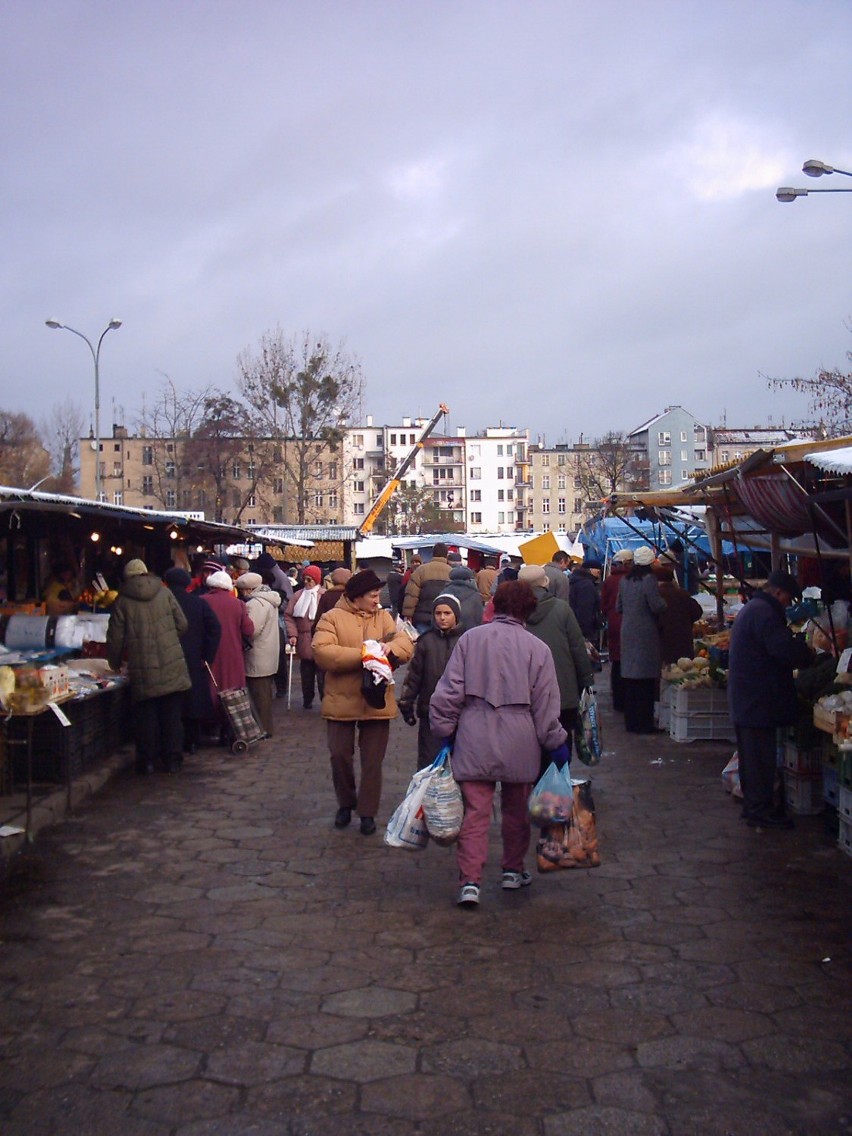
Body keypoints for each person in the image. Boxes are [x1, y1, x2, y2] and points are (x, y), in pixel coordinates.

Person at [429, 580, 569, 908]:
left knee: (475, 813)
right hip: (521, 738)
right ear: (528, 611)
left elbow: (448, 691)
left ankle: (470, 882)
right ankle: (512, 869)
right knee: (517, 809)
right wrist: (556, 742)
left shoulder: (470, 640)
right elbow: (546, 704)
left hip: (474, 734)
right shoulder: (538, 649)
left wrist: (444, 730)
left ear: (496, 605)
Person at [312, 569, 414, 835]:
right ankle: (345, 803)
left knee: (373, 761)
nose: (377, 599)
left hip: (376, 700)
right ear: (357, 597)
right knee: (339, 756)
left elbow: (403, 642)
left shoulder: (384, 618)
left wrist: (393, 649)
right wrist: (365, 655)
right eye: (373, 594)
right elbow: (322, 652)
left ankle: (367, 812)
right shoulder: (331, 617)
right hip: (340, 700)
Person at [728, 570, 813, 829]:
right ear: (778, 592)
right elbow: (782, 649)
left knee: (753, 756)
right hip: (757, 698)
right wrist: (806, 653)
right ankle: (759, 809)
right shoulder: (765, 613)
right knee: (759, 757)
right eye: (788, 598)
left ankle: (755, 806)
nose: (788, 604)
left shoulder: (755, 608)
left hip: (750, 695)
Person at [106, 559, 191, 774]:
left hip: (142, 667)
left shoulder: (122, 601)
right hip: (172, 665)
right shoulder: (165, 592)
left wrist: (114, 663)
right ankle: (173, 760)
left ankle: (148, 761)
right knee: (171, 716)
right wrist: (169, 640)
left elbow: (115, 638)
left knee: (146, 717)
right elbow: (182, 624)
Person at [520, 564, 594, 768]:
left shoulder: (513, 612)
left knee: (530, 743)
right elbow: (577, 647)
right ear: (546, 583)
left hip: (525, 691)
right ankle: (557, 786)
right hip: (562, 689)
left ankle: (534, 786)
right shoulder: (562, 609)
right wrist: (586, 680)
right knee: (560, 738)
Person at [398, 593, 465, 769]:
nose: (442, 618)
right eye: (438, 613)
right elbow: (414, 676)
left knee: (460, 763)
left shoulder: (466, 640)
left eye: (447, 613)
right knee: (429, 763)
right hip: (430, 712)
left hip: (462, 713)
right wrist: (407, 703)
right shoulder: (426, 641)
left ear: (456, 615)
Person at [163, 567, 222, 755]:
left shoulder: (162, 604)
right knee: (193, 701)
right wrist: (207, 655)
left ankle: (173, 744)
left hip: (168, 659)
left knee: (172, 704)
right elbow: (215, 628)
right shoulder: (198, 603)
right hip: (194, 658)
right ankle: (192, 741)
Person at [617, 546, 667, 734]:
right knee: (645, 682)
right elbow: (656, 605)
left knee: (631, 680)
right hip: (645, 634)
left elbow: (618, 606)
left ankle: (631, 722)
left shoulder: (624, 580)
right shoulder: (649, 580)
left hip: (627, 632)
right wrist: (665, 603)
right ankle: (644, 723)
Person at [201, 569, 255, 740]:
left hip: (209, 654)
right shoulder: (238, 604)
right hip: (233, 654)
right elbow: (249, 629)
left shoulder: (202, 601)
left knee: (211, 688)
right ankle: (230, 728)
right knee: (232, 691)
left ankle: (210, 726)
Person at [235, 571, 281, 736]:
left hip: (258, 654)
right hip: (267, 653)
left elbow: (252, 631)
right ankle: (265, 727)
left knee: (259, 695)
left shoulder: (256, 604)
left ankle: (263, 729)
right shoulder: (269, 600)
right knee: (264, 693)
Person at [284, 564, 325, 709]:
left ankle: (324, 700)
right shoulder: (297, 596)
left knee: (323, 675)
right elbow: (289, 616)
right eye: (305, 580)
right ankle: (307, 699)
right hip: (303, 639)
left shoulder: (323, 595)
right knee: (306, 673)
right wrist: (293, 634)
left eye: (310, 580)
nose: (307, 583)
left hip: (321, 639)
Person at [600, 549, 632, 711]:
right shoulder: (632, 580)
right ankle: (629, 699)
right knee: (631, 662)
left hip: (613, 624)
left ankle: (618, 699)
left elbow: (603, 605)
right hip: (630, 625)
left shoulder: (609, 580)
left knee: (617, 662)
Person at [654, 560, 703, 666]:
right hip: (684, 643)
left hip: (663, 645)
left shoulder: (655, 596)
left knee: (668, 675)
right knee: (684, 674)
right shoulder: (683, 594)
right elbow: (697, 612)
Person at [403, 543, 452, 632]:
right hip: (444, 619)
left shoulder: (420, 570)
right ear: (446, 555)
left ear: (432, 553)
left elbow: (411, 595)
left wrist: (408, 615)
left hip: (422, 617)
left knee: (424, 643)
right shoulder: (451, 572)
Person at [442, 562, 485, 631]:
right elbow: (479, 619)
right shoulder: (475, 595)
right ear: (469, 580)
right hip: (469, 634)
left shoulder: (444, 593)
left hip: (447, 634)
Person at [568, 558, 602, 641]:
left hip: (573, 624)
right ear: (591, 570)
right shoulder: (586, 585)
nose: (599, 572)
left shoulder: (574, 580)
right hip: (585, 629)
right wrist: (586, 632)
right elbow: (585, 610)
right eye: (598, 569)